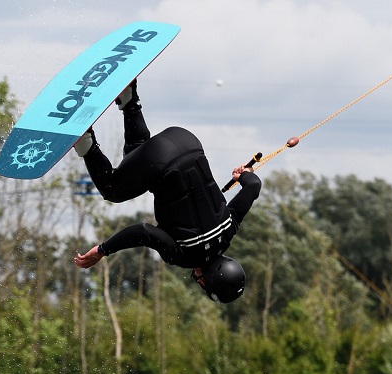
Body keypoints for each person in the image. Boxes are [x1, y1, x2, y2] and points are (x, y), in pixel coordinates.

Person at [72, 79, 261, 303]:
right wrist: (102, 250)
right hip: (160, 160)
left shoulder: (230, 228)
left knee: (138, 159)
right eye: (203, 285)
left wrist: (244, 174)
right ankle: (82, 136)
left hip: (186, 140)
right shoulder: (184, 255)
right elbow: (143, 232)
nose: (198, 282)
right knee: (112, 190)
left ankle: (129, 97)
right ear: (208, 279)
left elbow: (254, 185)